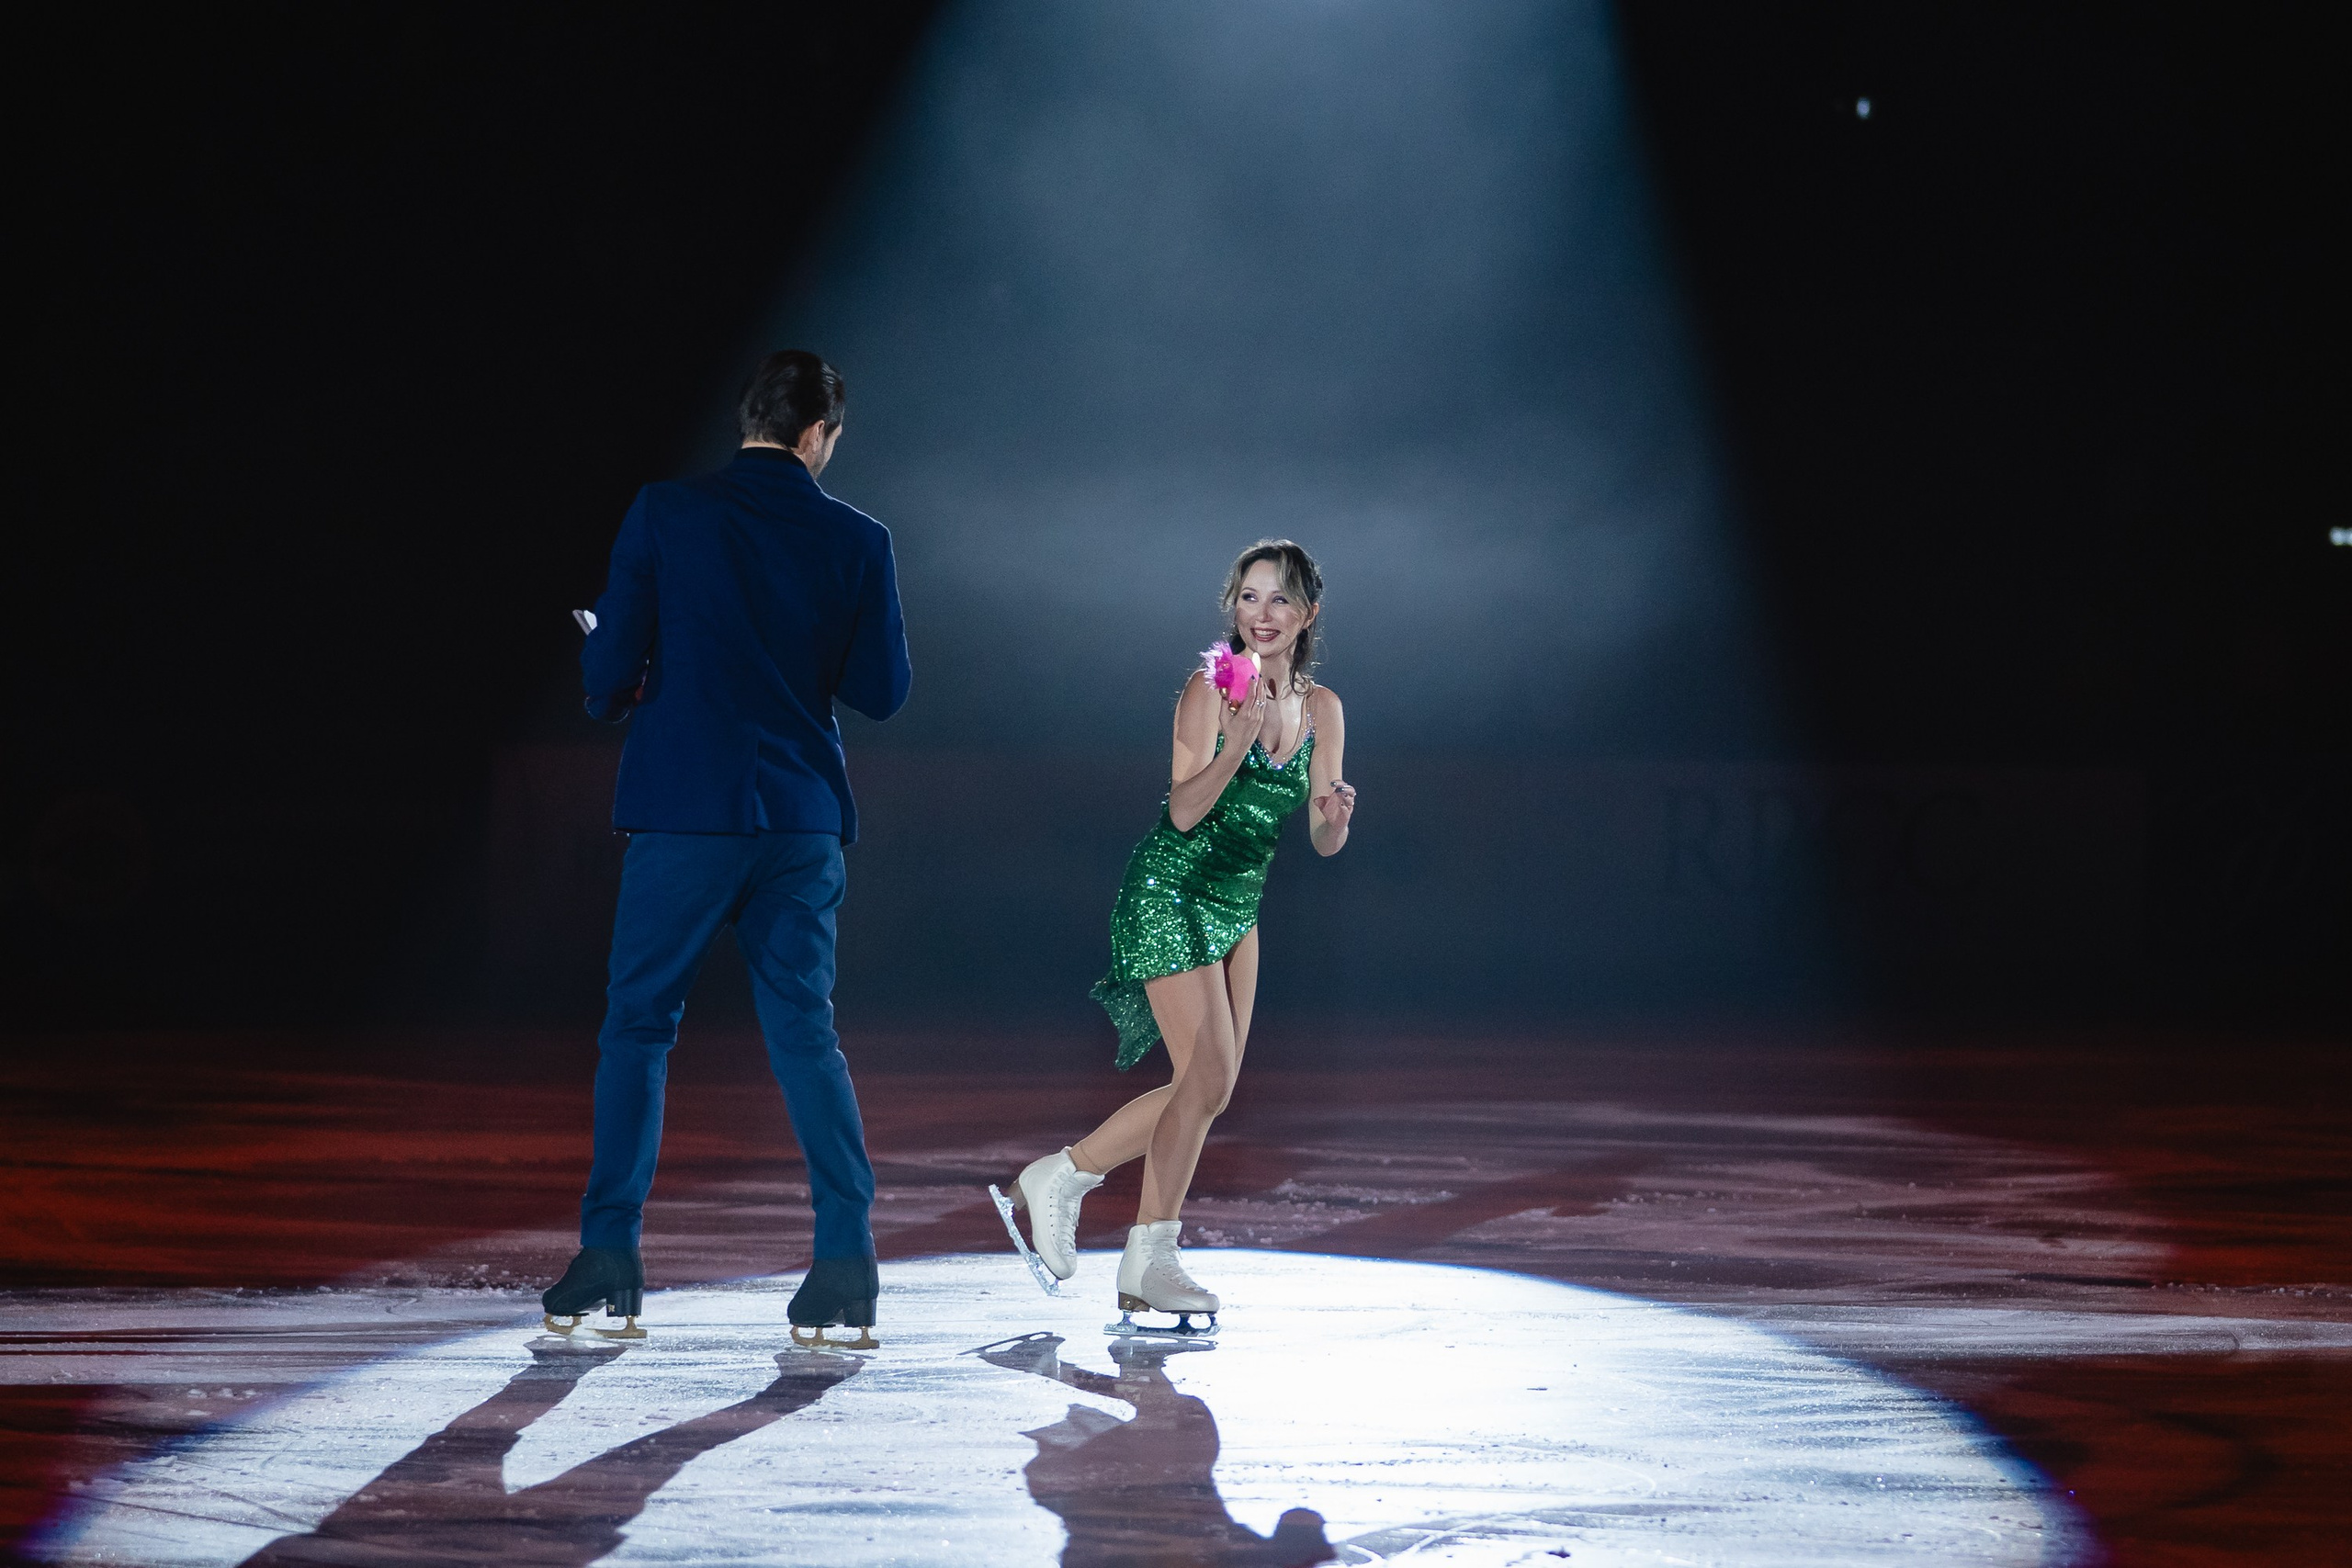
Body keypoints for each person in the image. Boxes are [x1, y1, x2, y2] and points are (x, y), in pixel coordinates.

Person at [538, 349, 910, 1346]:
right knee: (805, 1033)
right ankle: (844, 1266)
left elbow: (607, 668)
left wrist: (621, 665)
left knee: (640, 1028)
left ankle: (609, 1257)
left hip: (687, 813)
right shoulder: (858, 538)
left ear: (748, 417)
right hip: (799, 819)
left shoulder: (666, 511)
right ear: (819, 435)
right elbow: (881, 690)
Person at [998, 540, 1355, 1331]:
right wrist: (1235, 744)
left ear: (1308, 614)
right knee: (1209, 1072)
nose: (1261, 616)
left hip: (1238, 906)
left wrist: (1333, 821)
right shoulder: (1210, 688)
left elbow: (1322, 837)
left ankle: (1139, 1254)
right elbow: (1184, 810)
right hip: (1170, 891)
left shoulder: (1324, 709)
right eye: (1248, 598)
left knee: (1212, 1088)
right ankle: (1068, 1180)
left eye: (1279, 601)